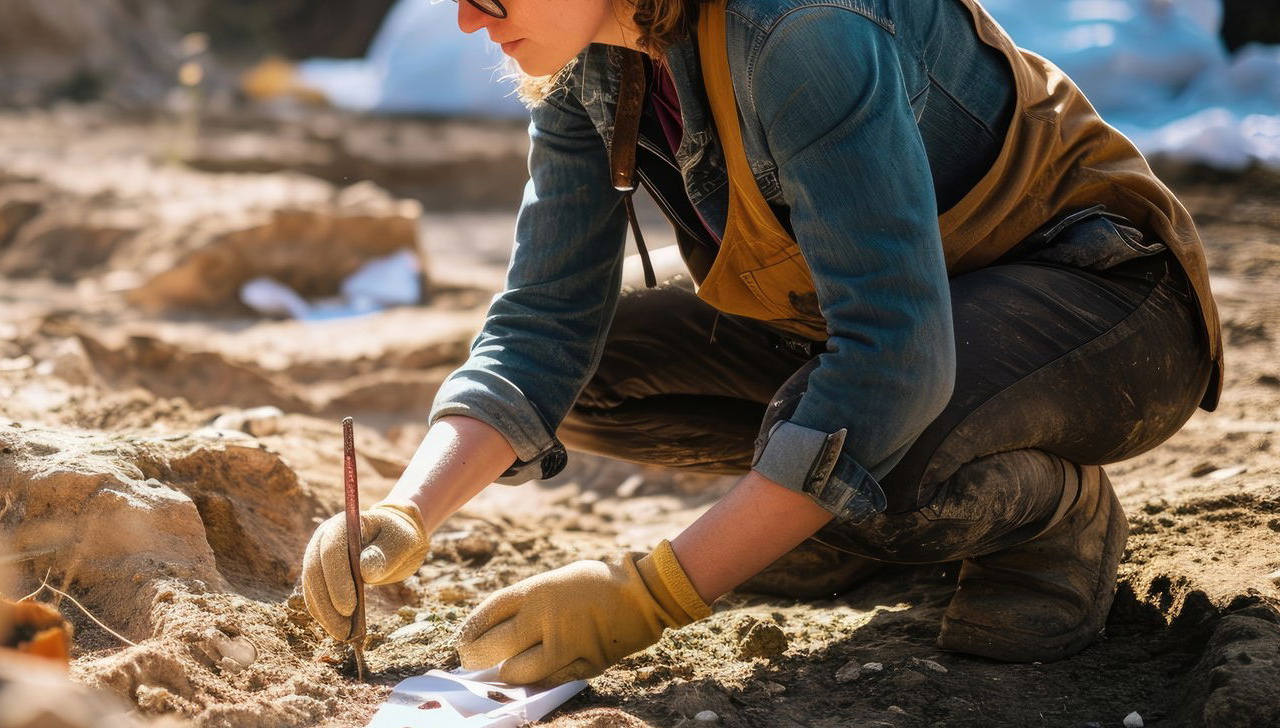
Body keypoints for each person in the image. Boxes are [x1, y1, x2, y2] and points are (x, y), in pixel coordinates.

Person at [300, 0, 1223, 687]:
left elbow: (892, 364)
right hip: (906, 316)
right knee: (592, 376)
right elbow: (542, 323)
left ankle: (1053, 516)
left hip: (1107, 300)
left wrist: (650, 596)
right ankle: (850, 530)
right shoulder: (592, 59)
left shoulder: (801, 29)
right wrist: (404, 515)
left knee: (872, 444)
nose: (465, 21)